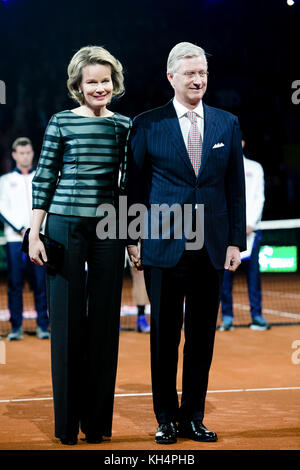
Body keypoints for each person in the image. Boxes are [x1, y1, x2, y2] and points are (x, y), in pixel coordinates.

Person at [127, 42, 246, 444]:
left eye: (204, 74)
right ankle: (165, 417)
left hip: (211, 247)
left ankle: (193, 415)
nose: (199, 80)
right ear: (171, 77)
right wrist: (132, 236)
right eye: (191, 73)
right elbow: (135, 187)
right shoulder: (146, 123)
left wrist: (234, 240)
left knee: (201, 338)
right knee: (164, 336)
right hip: (162, 244)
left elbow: (235, 187)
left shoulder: (227, 123)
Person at [28, 46, 131, 445]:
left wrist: (132, 238)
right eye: (92, 81)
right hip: (64, 226)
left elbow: (125, 186)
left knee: (105, 325)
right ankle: (66, 426)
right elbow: (44, 177)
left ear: (114, 83)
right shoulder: (60, 123)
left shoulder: (123, 126)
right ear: (78, 85)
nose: (100, 87)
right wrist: (34, 232)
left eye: (106, 80)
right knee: (68, 325)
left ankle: (98, 427)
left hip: (109, 229)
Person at [0, 137, 49, 341]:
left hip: (39, 240)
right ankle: (16, 327)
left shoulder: (41, 177)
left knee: (41, 284)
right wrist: (20, 229)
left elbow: (48, 205)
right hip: (15, 240)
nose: (25, 156)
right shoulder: (4, 180)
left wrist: (37, 230)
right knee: (15, 284)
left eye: (28, 152)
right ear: (14, 155)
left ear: (32, 154)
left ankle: (43, 327)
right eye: (21, 153)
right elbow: (2, 209)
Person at [220, 138, 269, 331]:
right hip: (227, 233)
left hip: (252, 231)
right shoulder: (221, 168)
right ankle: (227, 318)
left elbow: (260, 197)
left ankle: (257, 315)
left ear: (242, 143)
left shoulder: (255, 168)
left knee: (253, 277)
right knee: (225, 278)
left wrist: (249, 224)